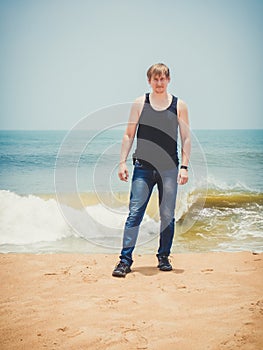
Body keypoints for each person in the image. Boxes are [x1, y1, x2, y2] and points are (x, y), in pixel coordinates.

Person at [112, 63, 191, 277]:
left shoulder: (179, 105)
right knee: (135, 214)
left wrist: (184, 167)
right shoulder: (140, 103)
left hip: (169, 169)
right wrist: (122, 162)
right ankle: (125, 260)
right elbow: (129, 134)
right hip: (143, 168)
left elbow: (186, 138)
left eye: (163, 78)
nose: (159, 83)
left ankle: (163, 257)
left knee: (167, 215)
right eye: (155, 79)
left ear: (168, 80)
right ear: (149, 81)